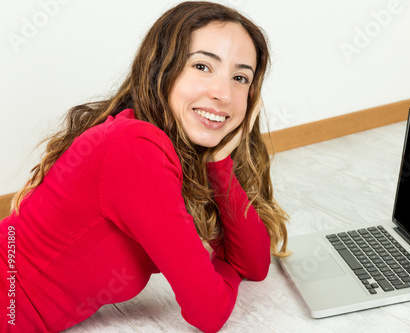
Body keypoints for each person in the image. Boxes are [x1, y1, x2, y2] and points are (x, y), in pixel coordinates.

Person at [0, 2, 288, 332]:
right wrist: (221, 267)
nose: (223, 93)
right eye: (202, 66)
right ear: (161, 68)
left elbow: (253, 265)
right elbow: (209, 312)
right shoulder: (134, 147)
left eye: (240, 78)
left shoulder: (162, 145)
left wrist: (219, 164)